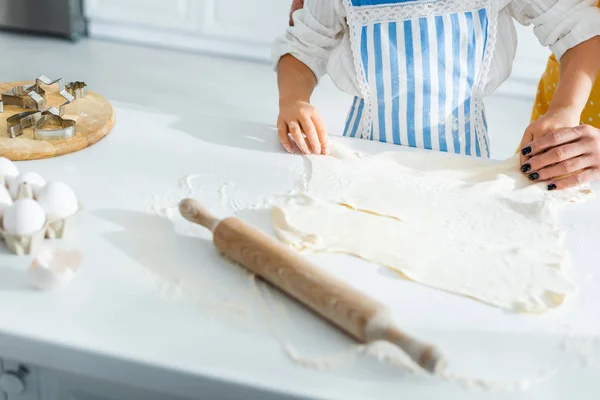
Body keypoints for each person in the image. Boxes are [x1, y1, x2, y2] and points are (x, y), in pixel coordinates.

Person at [274, 0, 600, 190]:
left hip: (465, 170)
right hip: (361, 159)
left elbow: (578, 31)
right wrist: (294, 100)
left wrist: (564, 110)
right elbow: (303, 46)